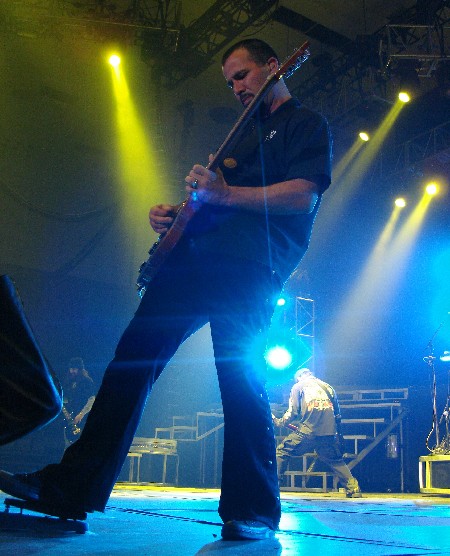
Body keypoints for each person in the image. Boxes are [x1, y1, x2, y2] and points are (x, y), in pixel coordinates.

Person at [0, 38, 332, 540]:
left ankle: (254, 509)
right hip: (192, 262)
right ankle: (71, 488)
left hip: (249, 267)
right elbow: (216, 204)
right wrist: (177, 214)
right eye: (230, 82)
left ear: (273, 66)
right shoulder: (240, 136)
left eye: (242, 75)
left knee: (239, 377)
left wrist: (223, 193)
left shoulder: (305, 124)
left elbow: (302, 197)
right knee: (130, 362)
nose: (236, 88)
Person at [273, 368, 362, 497]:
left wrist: (280, 422)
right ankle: (354, 489)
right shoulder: (328, 387)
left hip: (308, 431)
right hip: (328, 433)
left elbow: (293, 412)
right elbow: (337, 415)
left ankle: (273, 488)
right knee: (335, 460)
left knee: (282, 452)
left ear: (299, 377)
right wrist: (337, 434)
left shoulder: (298, 386)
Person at [61, 358, 96, 447]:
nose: (72, 371)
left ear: (80, 369)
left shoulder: (87, 381)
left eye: (74, 369)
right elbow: (67, 398)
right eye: (71, 369)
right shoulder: (69, 381)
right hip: (70, 417)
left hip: (83, 418)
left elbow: (91, 399)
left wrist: (81, 414)